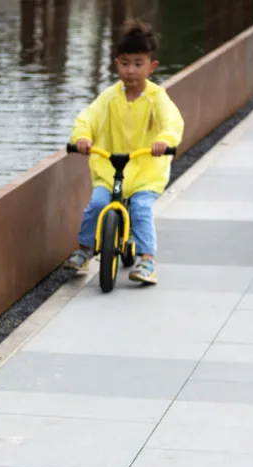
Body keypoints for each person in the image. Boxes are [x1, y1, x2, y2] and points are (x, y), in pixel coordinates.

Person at [63, 19, 184, 286]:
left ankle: (147, 259)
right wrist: (81, 137)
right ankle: (84, 250)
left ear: (152, 67)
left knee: (141, 208)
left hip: (144, 171)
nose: (131, 70)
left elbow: (172, 122)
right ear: (117, 63)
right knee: (96, 204)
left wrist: (164, 140)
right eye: (125, 63)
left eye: (138, 63)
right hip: (110, 169)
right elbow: (88, 117)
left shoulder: (157, 97)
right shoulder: (109, 96)